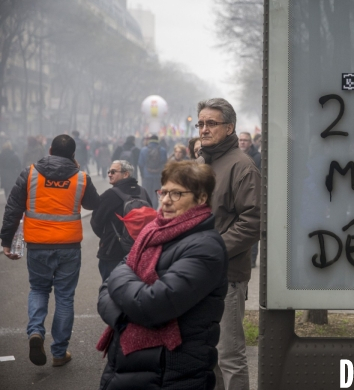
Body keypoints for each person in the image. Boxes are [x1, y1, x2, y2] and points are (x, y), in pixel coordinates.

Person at [96, 161, 228, 389]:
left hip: (171, 372)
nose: (166, 200)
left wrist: (122, 280)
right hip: (130, 366)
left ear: (202, 198)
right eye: (164, 192)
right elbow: (104, 292)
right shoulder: (153, 231)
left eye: (177, 194)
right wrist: (125, 317)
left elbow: (152, 305)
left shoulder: (206, 248)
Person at [0, 134, 100, 367]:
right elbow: (93, 204)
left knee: (38, 289)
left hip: (38, 245)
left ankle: (35, 332)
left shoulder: (30, 173)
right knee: (65, 298)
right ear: (73, 155)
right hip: (69, 247)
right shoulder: (81, 178)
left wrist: (6, 241)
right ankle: (59, 352)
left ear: (50, 149)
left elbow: (13, 208)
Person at [196, 98, 260, 390]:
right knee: (207, 354)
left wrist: (213, 250)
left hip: (227, 276)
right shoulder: (201, 163)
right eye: (200, 124)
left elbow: (253, 221)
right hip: (196, 272)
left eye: (211, 123)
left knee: (229, 356)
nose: (204, 129)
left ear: (229, 127)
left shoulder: (242, 166)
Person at [90, 160, 152, 281]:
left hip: (113, 252)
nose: (109, 174)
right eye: (109, 171)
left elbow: (96, 222)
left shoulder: (110, 195)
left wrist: (107, 237)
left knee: (110, 290)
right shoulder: (143, 192)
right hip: (139, 251)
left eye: (113, 171)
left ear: (126, 174)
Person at [238, 132, 261, 268]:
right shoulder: (234, 156)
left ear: (250, 142)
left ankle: (252, 258)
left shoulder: (257, 157)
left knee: (252, 227)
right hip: (239, 196)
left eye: (245, 140)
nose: (242, 143)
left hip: (252, 196)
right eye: (240, 140)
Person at [138, 134, 167, 208]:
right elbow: (165, 164)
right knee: (156, 195)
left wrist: (142, 175)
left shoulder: (143, 150)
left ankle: (148, 210)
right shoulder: (163, 150)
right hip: (158, 176)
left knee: (147, 194)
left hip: (147, 175)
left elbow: (140, 164)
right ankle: (154, 210)